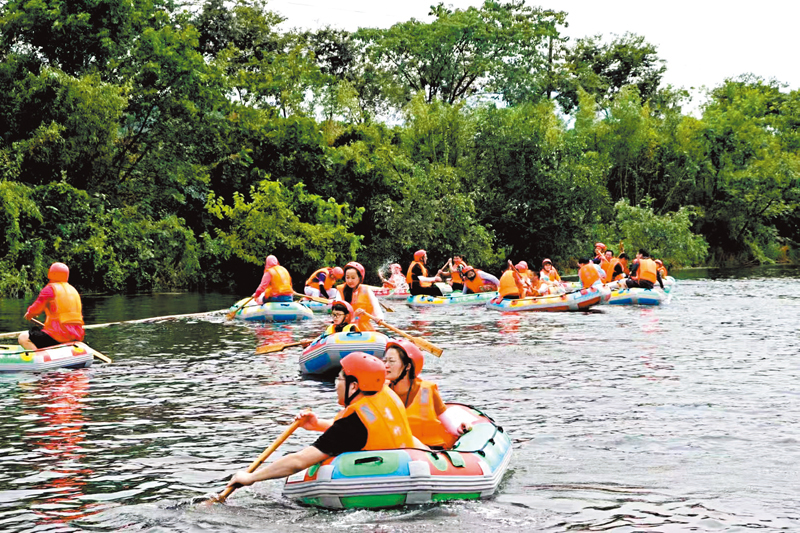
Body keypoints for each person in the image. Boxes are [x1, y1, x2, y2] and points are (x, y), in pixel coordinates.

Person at [226, 353, 415, 490]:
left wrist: (251, 477)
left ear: (354, 386)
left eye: (339, 378)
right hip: (407, 472)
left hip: (375, 484)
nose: (336, 384)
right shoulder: (386, 395)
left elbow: (299, 462)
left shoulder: (352, 422)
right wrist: (317, 425)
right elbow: (367, 432)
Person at [383, 339, 474, 449]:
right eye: (385, 361)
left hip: (431, 451)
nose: (386, 365)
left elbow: (449, 424)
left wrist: (460, 428)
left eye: (391, 361)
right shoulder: (381, 392)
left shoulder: (428, 390)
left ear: (408, 366)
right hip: (398, 451)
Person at [19, 262, 85, 350]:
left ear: (51, 274)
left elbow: (36, 309)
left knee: (23, 338)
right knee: (40, 333)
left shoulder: (50, 289)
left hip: (58, 335)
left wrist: (29, 314)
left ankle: (39, 358)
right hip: (76, 335)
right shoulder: (73, 290)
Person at [338, 261, 383, 331]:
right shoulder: (340, 291)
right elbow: (338, 315)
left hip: (364, 328)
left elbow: (376, 308)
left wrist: (378, 318)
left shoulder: (367, 291)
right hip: (346, 327)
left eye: (353, 278)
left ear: (359, 278)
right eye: (347, 277)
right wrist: (354, 315)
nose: (350, 281)